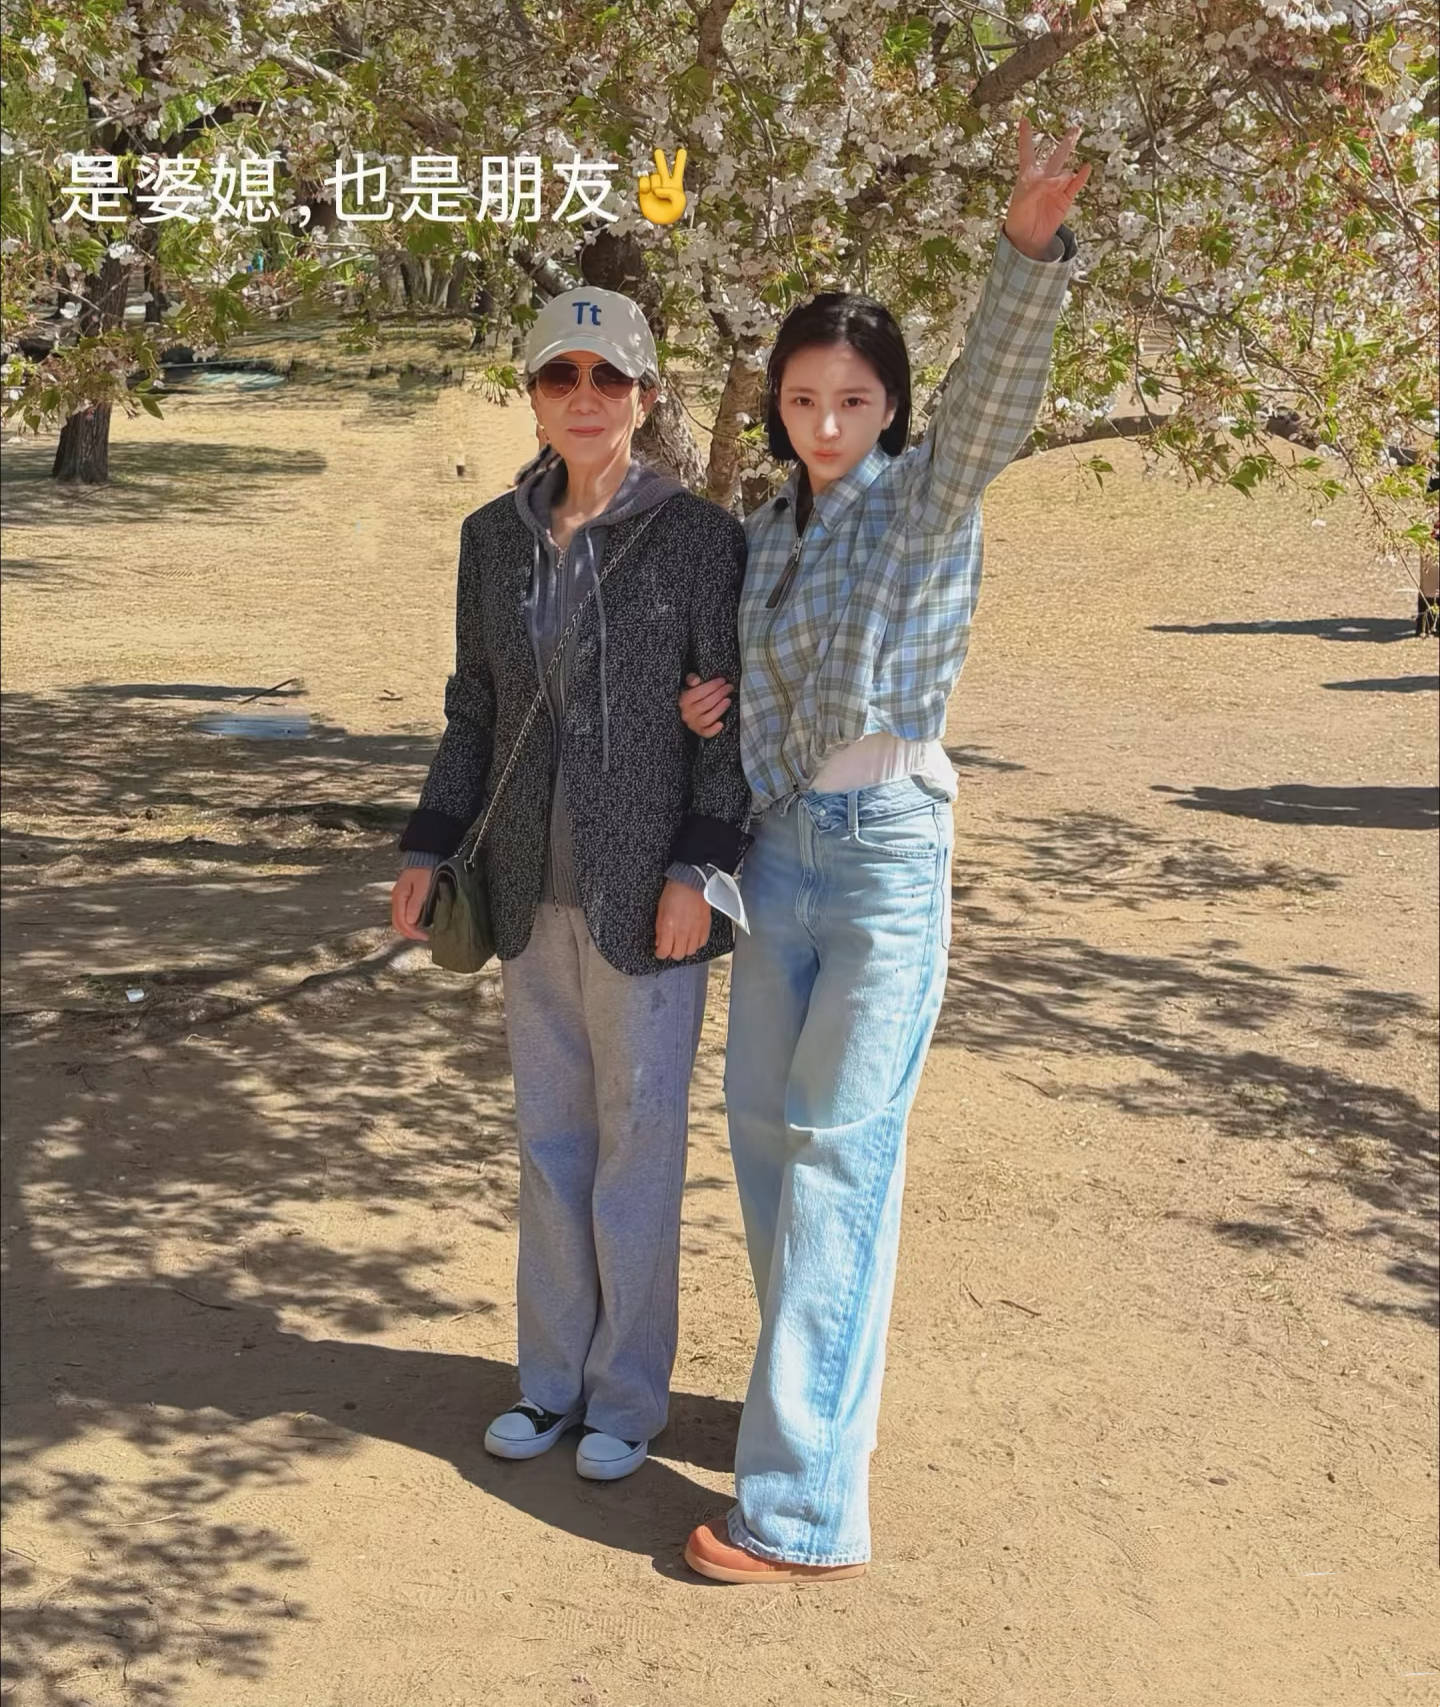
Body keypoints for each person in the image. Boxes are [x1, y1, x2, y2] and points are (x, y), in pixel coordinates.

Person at [675, 118, 1091, 1581]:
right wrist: (712, 701)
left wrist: (1026, 251)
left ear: (894, 405)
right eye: (803, 398)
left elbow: (992, 401)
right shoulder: (762, 532)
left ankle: (802, 1512)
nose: (826, 421)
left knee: (842, 1154)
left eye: (854, 398)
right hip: (779, 852)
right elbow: (752, 686)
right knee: (766, 1141)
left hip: (885, 853)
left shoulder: (926, 495)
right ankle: (812, 1409)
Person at [390, 287, 751, 1482]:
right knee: (550, 1145)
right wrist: (429, 844)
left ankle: (626, 1403)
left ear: (644, 396)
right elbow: (473, 709)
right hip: (523, 890)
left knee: (638, 1147)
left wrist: (699, 868)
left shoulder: (700, 539)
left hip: (647, 896)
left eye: (608, 377)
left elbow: (728, 728)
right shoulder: (490, 539)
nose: (584, 398)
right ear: (534, 397)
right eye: (561, 376)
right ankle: (547, 1385)